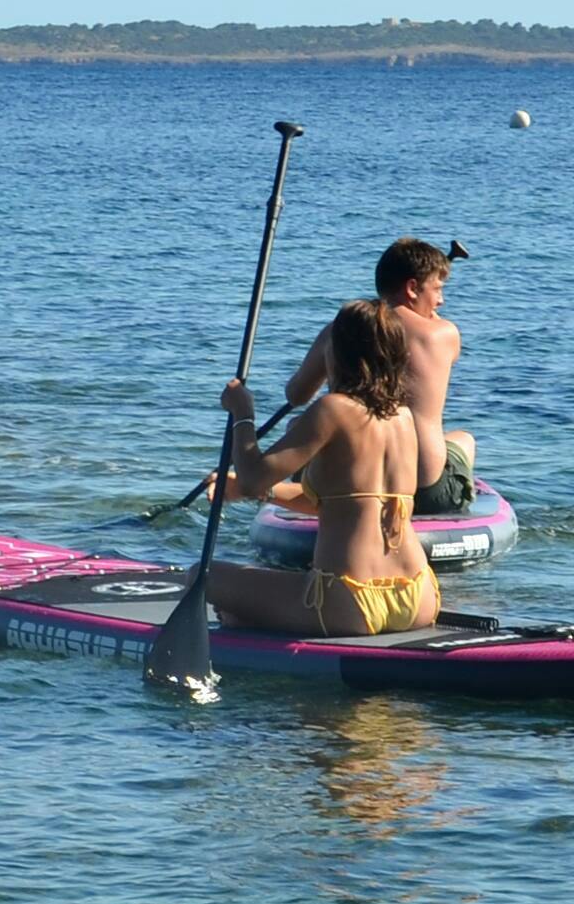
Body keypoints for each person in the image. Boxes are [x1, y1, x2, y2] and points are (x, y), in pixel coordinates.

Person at [202, 300, 445, 639]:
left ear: (338, 352)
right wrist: (259, 492)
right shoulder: (402, 417)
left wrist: (242, 413)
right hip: (418, 595)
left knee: (201, 577)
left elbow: (253, 475)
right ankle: (253, 619)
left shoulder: (333, 410)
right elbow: (347, 501)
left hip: (348, 600)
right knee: (239, 607)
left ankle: (253, 619)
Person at [277, 237, 477, 513]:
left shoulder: (337, 331)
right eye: (437, 289)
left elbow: (296, 395)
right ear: (411, 288)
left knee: (296, 425)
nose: (440, 301)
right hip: (423, 492)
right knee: (464, 440)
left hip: (346, 484)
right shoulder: (443, 334)